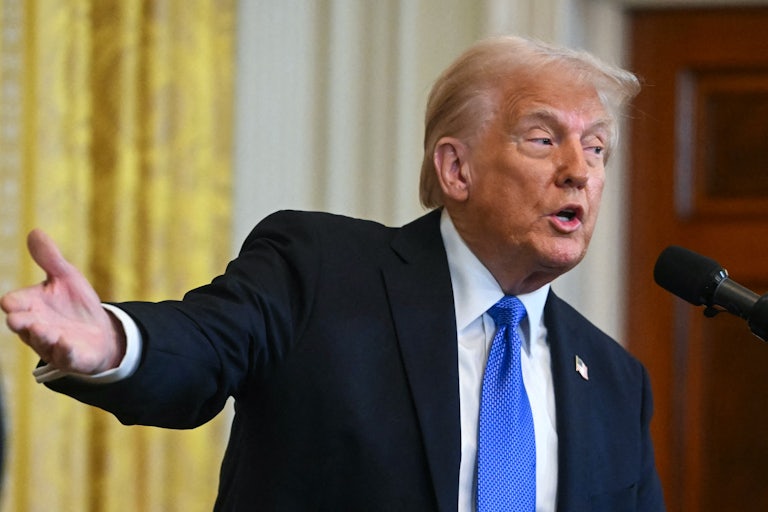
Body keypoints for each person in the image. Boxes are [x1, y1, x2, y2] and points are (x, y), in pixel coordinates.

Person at [1, 35, 665, 511]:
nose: (580, 169)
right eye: (545, 139)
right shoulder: (321, 269)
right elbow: (206, 345)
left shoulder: (613, 379)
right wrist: (119, 343)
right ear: (455, 169)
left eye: (597, 147)